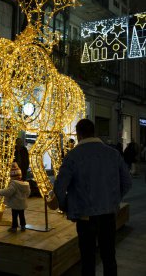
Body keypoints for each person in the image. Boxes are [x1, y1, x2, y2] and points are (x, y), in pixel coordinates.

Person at [54, 118, 132, 276]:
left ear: (78, 135)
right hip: (108, 215)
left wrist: (65, 205)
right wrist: (114, 198)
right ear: (93, 132)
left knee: (88, 260)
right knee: (109, 257)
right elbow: (127, 182)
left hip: (84, 216)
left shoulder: (73, 156)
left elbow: (59, 188)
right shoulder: (113, 153)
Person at [0, 162, 30, 232]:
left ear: (12, 176)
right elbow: (28, 193)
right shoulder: (25, 184)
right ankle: (23, 226)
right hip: (22, 204)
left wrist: (0, 191)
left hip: (15, 204)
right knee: (22, 215)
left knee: (14, 216)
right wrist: (23, 197)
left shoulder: (13, 184)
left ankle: (14, 227)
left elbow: (9, 192)